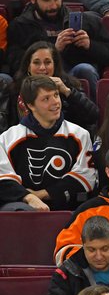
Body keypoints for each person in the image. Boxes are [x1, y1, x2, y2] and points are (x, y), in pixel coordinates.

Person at [6, 0, 109, 100]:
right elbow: (14, 65)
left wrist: (90, 45)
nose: (53, 5)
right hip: (36, 77)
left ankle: (92, 116)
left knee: (85, 69)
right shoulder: (20, 26)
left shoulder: (86, 21)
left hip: (73, 75)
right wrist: (54, 50)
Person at [0, 75, 96, 211]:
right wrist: (29, 197)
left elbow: (87, 177)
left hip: (68, 207)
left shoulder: (80, 135)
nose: (55, 102)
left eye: (56, 95)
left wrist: (42, 194)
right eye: (46, 99)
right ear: (31, 105)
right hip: (24, 207)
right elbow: (3, 178)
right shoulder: (8, 138)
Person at [10, 41, 98, 131]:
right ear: (28, 67)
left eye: (47, 62)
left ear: (54, 65)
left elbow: (92, 117)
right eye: (36, 63)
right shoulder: (15, 89)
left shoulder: (69, 85)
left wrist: (68, 93)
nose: (42, 68)